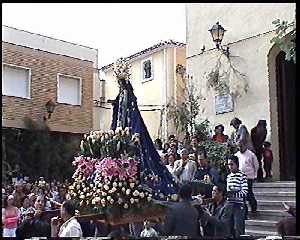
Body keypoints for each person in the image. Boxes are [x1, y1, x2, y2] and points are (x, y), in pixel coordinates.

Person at [225, 155, 248, 238]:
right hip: (229, 204)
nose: (230, 166)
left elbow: (245, 192)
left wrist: (234, 193)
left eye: (232, 164)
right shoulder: (228, 177)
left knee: (239, 228)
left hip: (238, 205)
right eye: (228, 164)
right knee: (228, 228)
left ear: (237, 164)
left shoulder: (242, 176)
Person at [235, 141, 259, 215]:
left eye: (241, 146)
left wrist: (255, 175)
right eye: (239, 147)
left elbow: (256, 165)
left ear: (245, 145)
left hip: (249, 177)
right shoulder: (236, 155)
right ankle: (244, 212)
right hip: (240, 177)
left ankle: (254, 208)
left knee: (249, 193)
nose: (240, 148)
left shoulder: (251, 154)